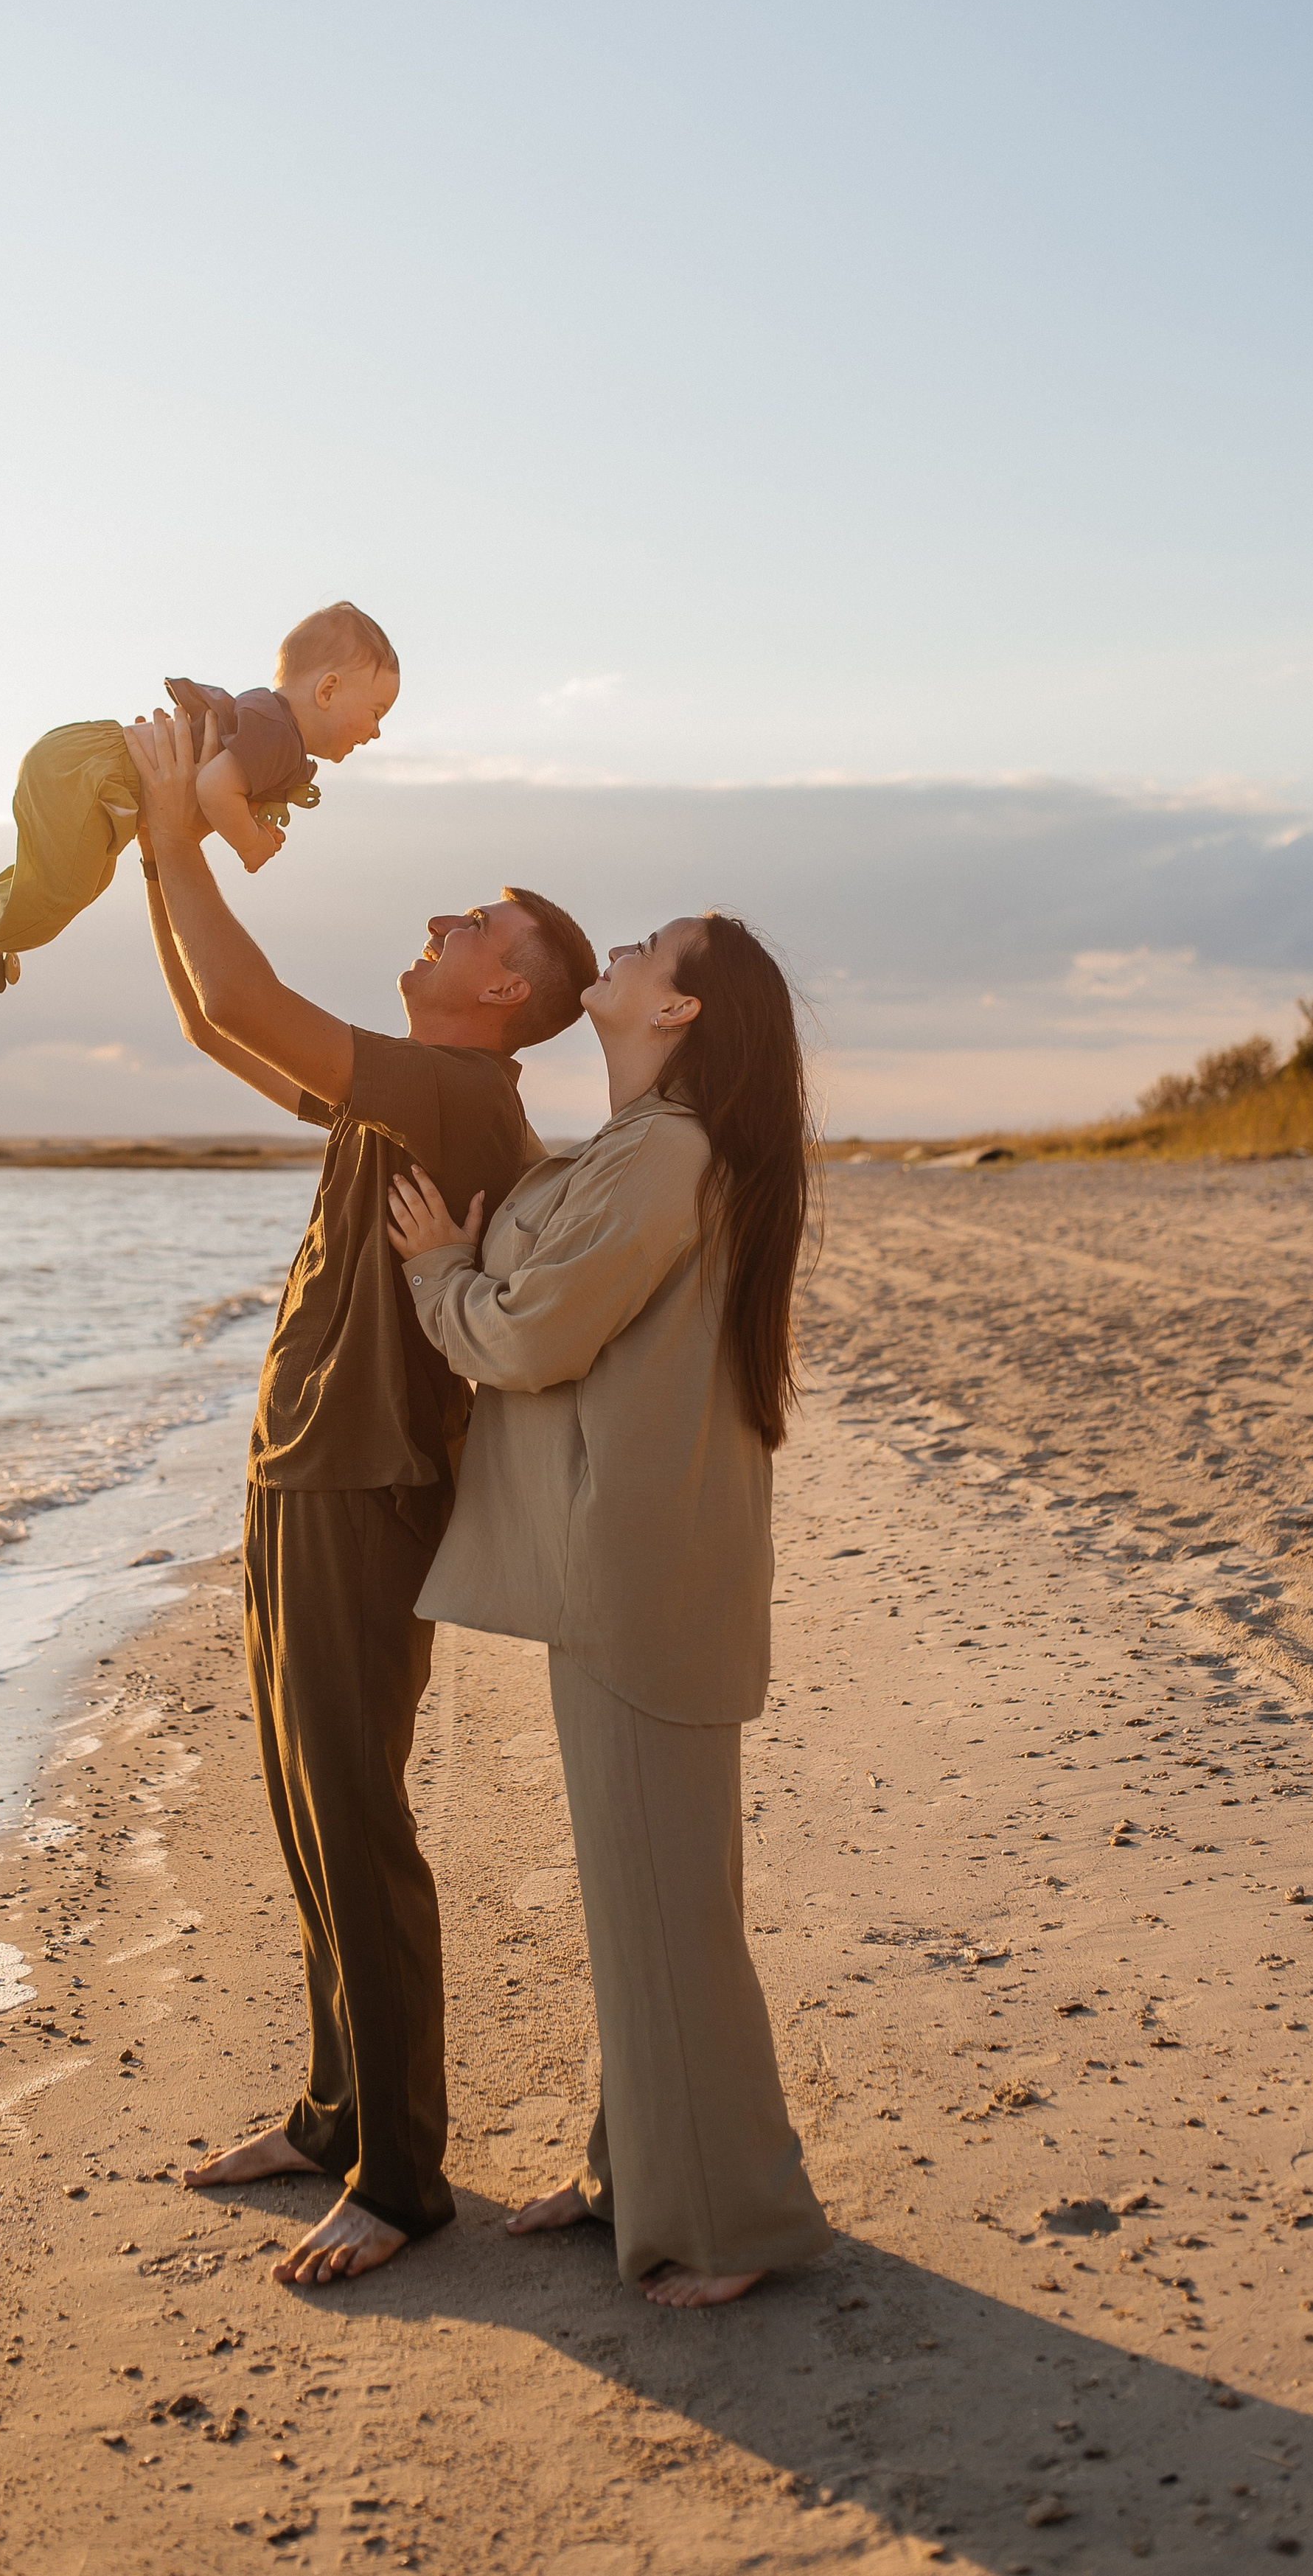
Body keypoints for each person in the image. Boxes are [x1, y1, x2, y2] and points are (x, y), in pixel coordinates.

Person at [123, 701, 597, 2286]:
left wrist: (181, 828)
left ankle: (402, 2176)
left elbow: (249, 987)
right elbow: (214, 1022)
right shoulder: (405, 1084)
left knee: (357, 1819)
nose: (440, 922)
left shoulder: (465, 1102)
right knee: (301, 1812)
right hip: (289, 1467)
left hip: (366, 1483)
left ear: (505, 992)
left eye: (475, 922)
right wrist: (145, 844)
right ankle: (333, 2117)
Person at [385, 910, 833, 2308]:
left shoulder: (675, 1156)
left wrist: (431, 1277)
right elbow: (556, 1262)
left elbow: (529, 1333)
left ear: (682, 1010)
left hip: (646, 1576)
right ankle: (635, 2167)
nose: (625, 950)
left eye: (651, 945)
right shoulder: (644, 1149)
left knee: (667, 1906)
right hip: (635, 1567)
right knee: (640, 1895)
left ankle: (727, 2223)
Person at [0, 602, 398, 1015]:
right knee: (62, 892)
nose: (376, 732)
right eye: (376, 712)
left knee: (85, 877)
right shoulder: (278, 736)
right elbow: (218, 789)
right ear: (329, 690)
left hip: (85, 767)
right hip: (90, 777)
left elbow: (221, 786)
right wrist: (250, 844)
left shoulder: (272, 728)